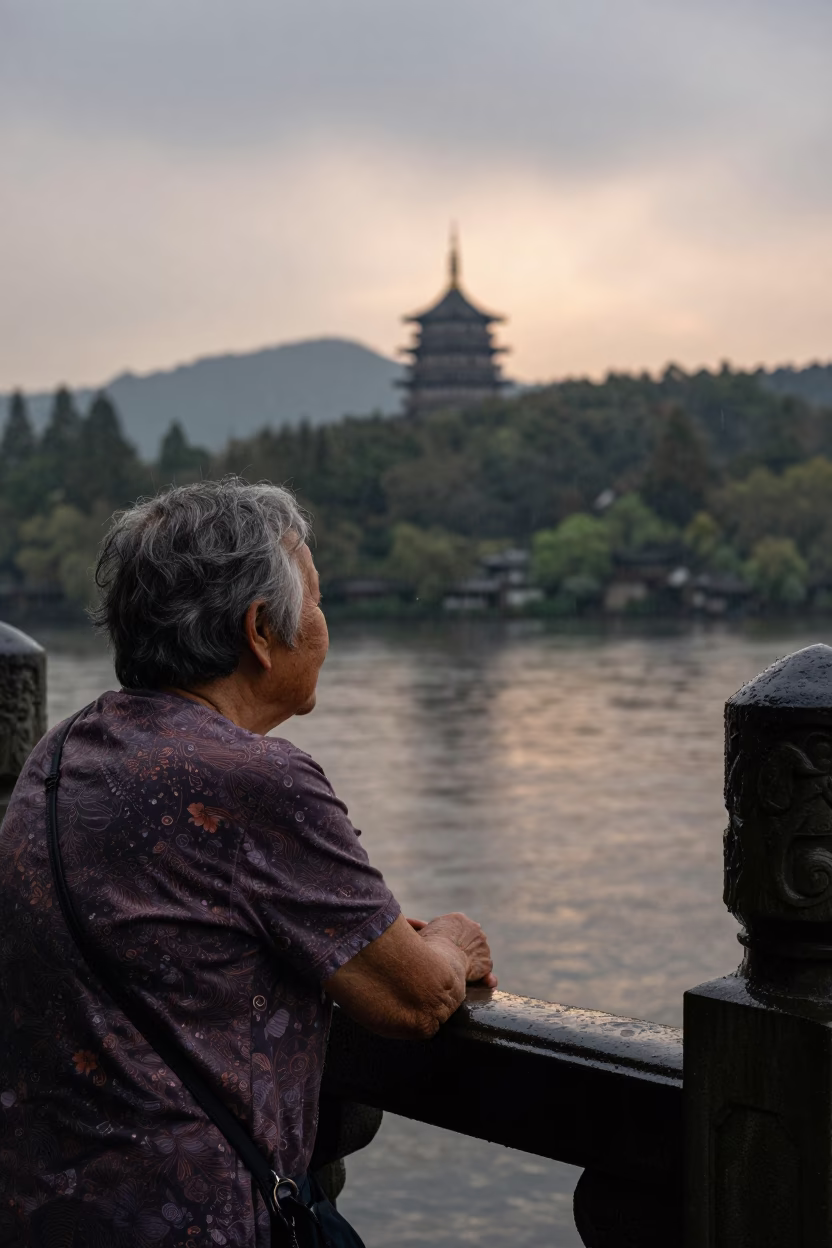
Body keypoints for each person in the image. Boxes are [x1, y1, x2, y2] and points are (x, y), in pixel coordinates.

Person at [0, 478, 496, 1248]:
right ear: (261, 631)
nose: (325, 625)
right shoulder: (259, 781)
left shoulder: (60, 753)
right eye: (318, 601)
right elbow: (414, 999)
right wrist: (453, 944)